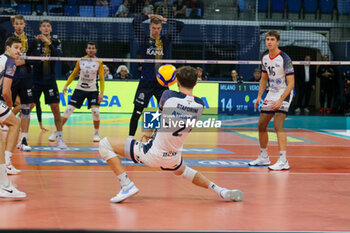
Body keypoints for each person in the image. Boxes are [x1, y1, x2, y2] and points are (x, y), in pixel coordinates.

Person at [99, 66, 243, 203]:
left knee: (104, 144)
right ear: (196, 82)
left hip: (152, 154)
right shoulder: (200, 105)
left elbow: (160, 114)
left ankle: (126, 185)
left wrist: (149, 132)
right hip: (173, 157)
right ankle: (220, 190)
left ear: (177, 82)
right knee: (185, 171)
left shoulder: (168, 96)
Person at [129, 13, 184, 138]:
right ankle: (130, 139)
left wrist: (166, 19)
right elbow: (135, 23)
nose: (156, 31)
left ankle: (163, 138)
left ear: (161, 28)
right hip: (146, 83)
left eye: (158, 28)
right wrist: (148, 16)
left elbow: (181, 26)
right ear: (149, 27)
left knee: (167, 111)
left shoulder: (164, 40)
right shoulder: (143, 39)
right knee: (137, 112)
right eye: (154, 28)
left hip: (162, 83)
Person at [248, 30, 294, 171]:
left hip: (285, 92)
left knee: (277, 126)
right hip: (271, 92)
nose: (269, 42)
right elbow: (263, 79)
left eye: (272, 39)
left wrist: (281, 100)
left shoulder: (285, 59)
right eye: (267, 39)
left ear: (278, 42)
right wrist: (259, 96)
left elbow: (291, 83)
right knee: (261, 125)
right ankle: (264, 157)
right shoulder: (265, 58)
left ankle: (283, 160)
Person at [49, 42, 104, 142]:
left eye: (93, 48)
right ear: (86, 50)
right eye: (89, 48)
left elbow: (101, 78)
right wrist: (66, 85)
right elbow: (74, 74)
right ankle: (57, 132)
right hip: (79, 89)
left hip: (93, 90)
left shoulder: (99, 62)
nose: (91, 50)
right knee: (68, 110)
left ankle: (96, 133)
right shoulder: (81, 61)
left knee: (95, 112)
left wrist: (101, 93)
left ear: (95, 50)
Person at [32, 19, 67, 149]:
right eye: (44, 26)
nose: (46, 28)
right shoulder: (35, 41)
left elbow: (59, 56)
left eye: (48, 26)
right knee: (28, 108)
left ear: (51, 29)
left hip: (50, 80)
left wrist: (48, 43)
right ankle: (22, 138)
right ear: (40, 29)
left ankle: (60, 139)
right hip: (35, 79)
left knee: (56, 110)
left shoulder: (56, 42)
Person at [0, 37, 26, 198]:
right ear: (7, 47)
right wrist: (9, 106)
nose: (18, 51)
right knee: (15, 122)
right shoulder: (9, 62)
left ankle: (4, 184)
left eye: (20, 49)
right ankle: (8, 163)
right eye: (16, 47)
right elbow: (5, 91)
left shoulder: (1, 59)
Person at [9, 15, 35, 151]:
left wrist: (23, 61)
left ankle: (23, 139)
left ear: (25, 24)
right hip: (11, 77)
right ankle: (8, 139)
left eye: (21, 24)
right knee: (6, 107)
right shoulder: (9, 38)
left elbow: (35, 59)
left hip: (26, 78)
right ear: (13, 25)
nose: (19, 26)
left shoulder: (31, 39)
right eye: (16, 23)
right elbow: (6, 56)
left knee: (26, 108)